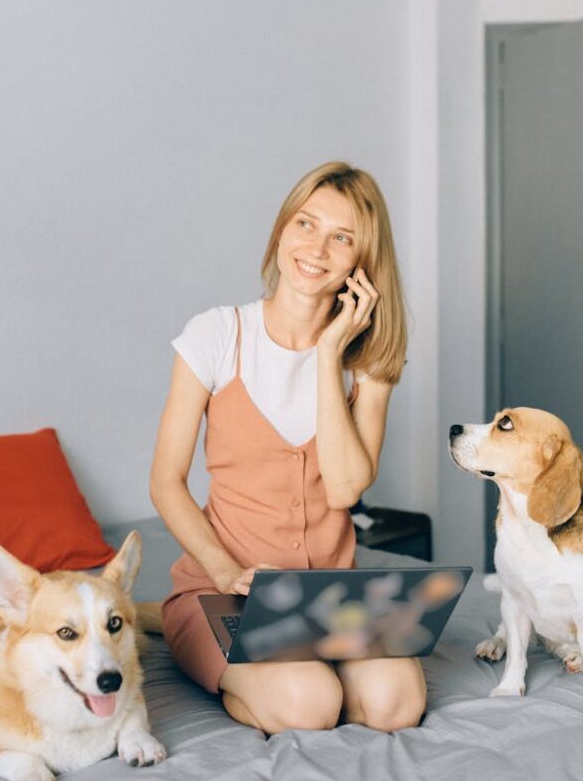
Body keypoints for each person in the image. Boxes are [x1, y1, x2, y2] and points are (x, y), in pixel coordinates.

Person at [150, 161, 426, 734]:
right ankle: (173, 623)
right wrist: (224, 571)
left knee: (397, 705)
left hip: (329, 596)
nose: (316, 248)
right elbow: (166, 482)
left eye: (341, 237)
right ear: (281, 230)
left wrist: (328, 356)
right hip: (224, 592)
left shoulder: (368, 362)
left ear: (361, 264)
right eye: (305, 224)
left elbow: (348, 487)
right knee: (310, 705)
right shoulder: (217, 334)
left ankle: (304, 662)